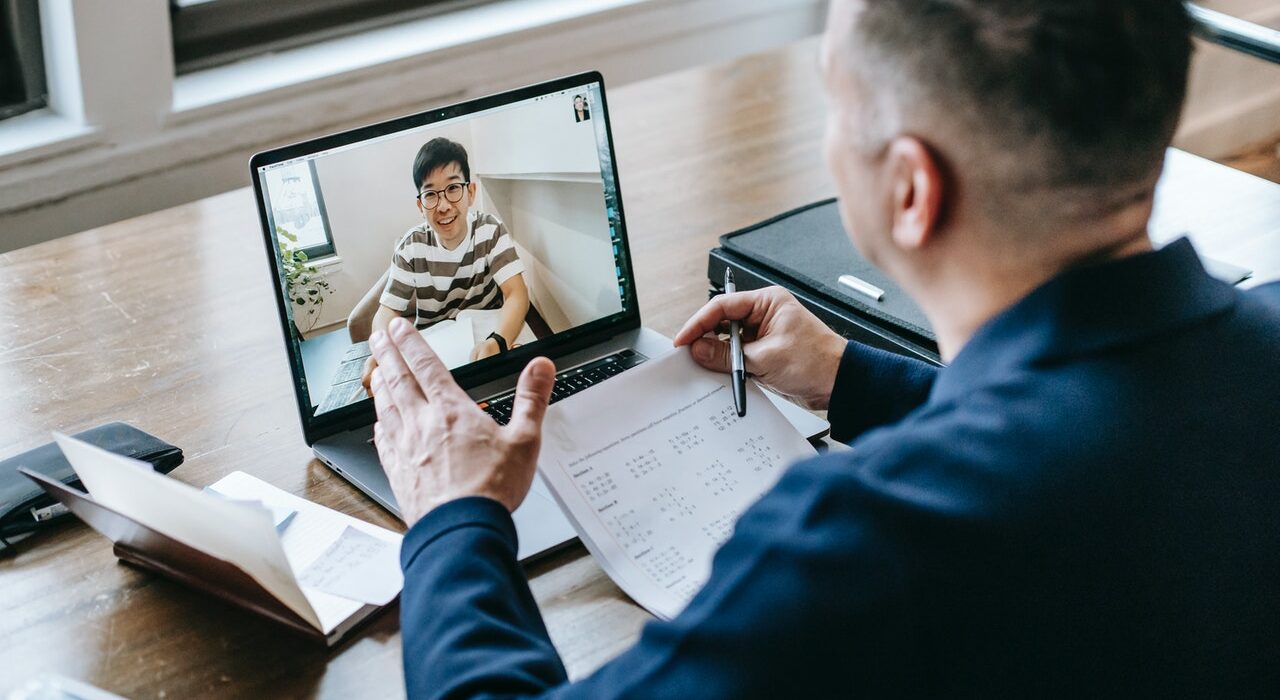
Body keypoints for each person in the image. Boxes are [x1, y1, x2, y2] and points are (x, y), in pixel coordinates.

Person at [367, 0, 1280, 697]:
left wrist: (453, 516)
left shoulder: (862, 547)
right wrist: (852, 379)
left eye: (835, 102)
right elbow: (1110, 426)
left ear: (911, 189)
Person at [361, 137, 529, 390]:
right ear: (420, 205)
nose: (443, 206)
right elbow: (387, 311)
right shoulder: (410, 247)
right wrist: (383, 350)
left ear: (470, 192)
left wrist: (499, 341)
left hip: (488, 343)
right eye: (430, 194)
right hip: (434, 357)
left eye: (453, 189)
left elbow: (516, 293)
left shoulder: (490, 229)